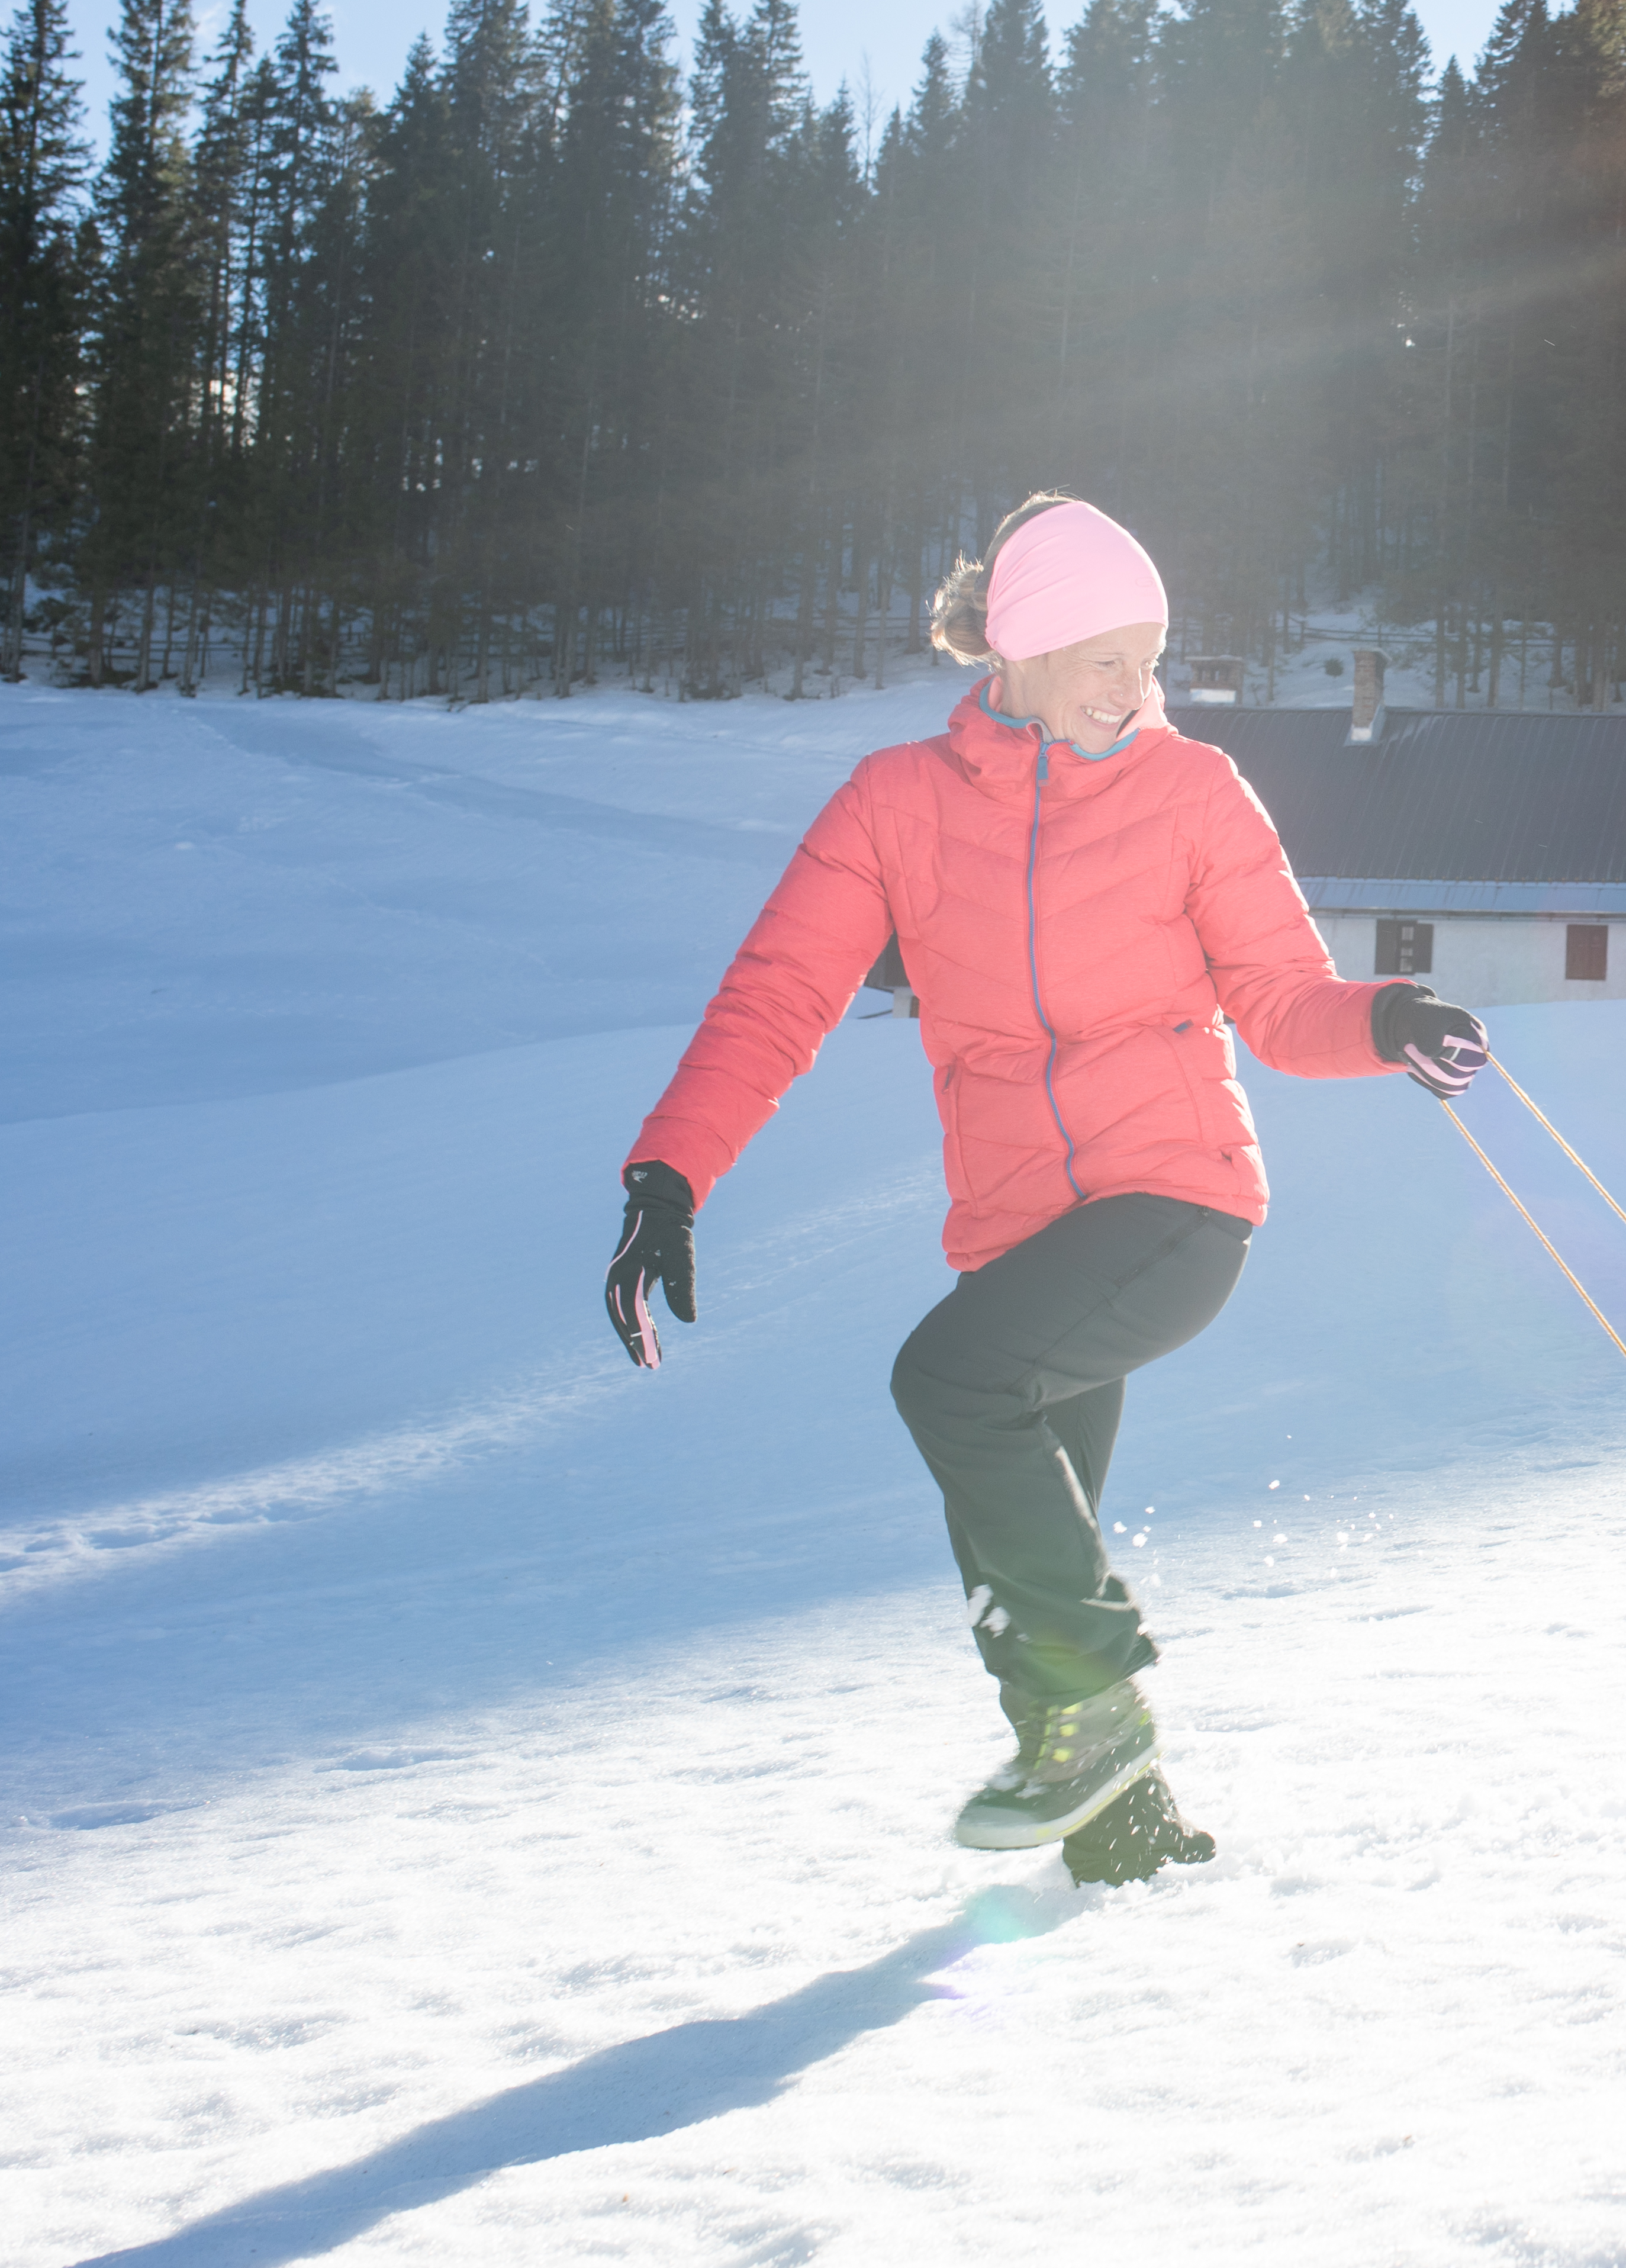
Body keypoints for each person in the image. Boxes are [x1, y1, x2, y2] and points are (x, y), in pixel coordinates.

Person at [597, 493, 1491, 1865]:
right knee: (1014, 1532)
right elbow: (778, 996)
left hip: (1175, 1199)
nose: (1139, 694)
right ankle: (1119, 1831)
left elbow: (1279, 994)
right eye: (1107, 662)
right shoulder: (894, 805)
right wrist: (670, 1173)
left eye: (1152, 660)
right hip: (1018, 1234)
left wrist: (1383, 1018)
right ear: (1017, 653)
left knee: (949, 1384)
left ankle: (1106, 1722)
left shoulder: (1193, 792)